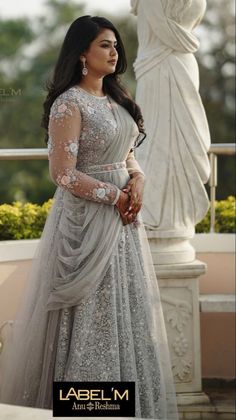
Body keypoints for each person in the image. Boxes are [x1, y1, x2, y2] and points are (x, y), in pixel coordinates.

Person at [0, 15, 179, 419]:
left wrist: (138, 176)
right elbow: (62, 172)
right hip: (86, 223)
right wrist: (116, 194)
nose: (115, 52)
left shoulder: (116, 100)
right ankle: (87, 410)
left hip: (123, 225)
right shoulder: (69, 103)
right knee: (89, 317)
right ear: (82, 52)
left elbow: (126, 151)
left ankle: (128, 408)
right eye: (104, 45)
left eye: (116, 45)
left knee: (125, 311)